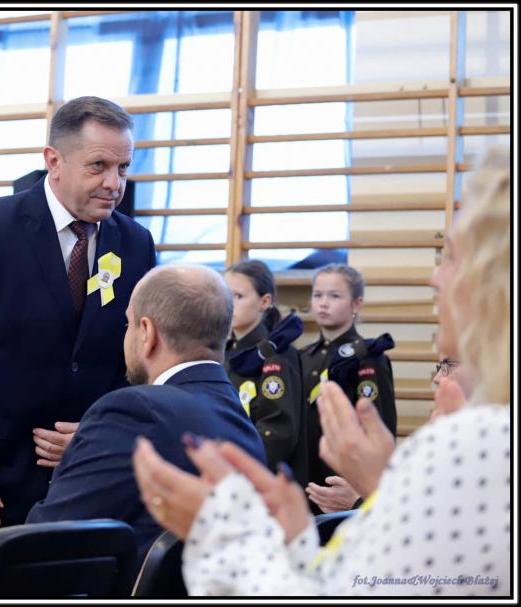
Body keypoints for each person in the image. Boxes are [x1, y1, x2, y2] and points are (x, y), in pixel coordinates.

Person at [131, 145, 510, 596]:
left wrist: (223, 537)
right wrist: (307, 532)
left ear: (494, 282)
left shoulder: (483, 442)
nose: (435, 278)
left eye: (451, 258)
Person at [0, 264, 265, 595]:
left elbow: (38, 559)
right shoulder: (235, 417)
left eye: (128, 324)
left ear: (147, 333)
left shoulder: (134, 412)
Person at [0, 96, 157, 533]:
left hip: (84, 480)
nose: (114, 183)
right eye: (98, 166)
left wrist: (98, 433)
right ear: (54, 161)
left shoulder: (136, 244)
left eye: (123, 168)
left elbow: (140, 363)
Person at [299, 263, 396, 513]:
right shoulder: (304, 356)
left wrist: (360, 491)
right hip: (305, 477)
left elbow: (379, 424)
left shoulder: (368, 357)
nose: (323, 303)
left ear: (356, 303)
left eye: (334, 296)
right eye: (317, 295)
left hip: (344, 483)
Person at [223, 259, 307, 484]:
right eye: (225, 296)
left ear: (265, 301)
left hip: (257, 480)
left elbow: (278, 432)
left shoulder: (276, 354)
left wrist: (238, 474)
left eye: (238, 296)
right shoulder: (226, 352)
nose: (229, 304)